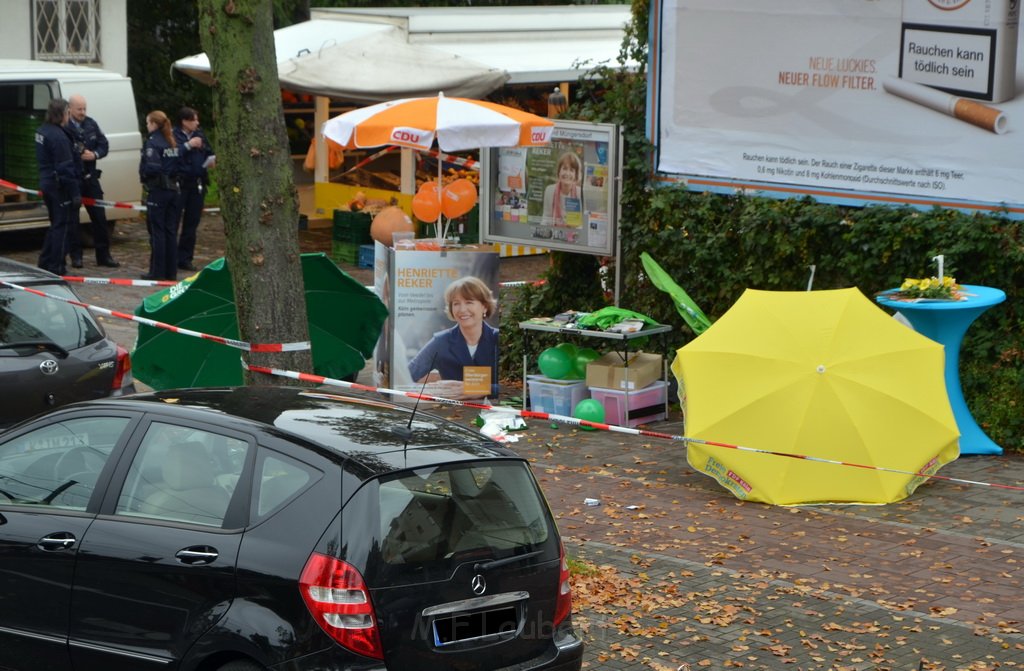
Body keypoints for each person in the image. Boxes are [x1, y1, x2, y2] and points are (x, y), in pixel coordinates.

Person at [407, 276, 499, 397]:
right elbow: (405, 376)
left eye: (469, 302)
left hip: (495, 413)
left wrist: (482, 389)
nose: (462, 309)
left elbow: (513, 387)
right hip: (450, 412)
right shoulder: (440, 342)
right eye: (456, 303)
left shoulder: (497, 339)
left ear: (484, 306)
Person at [67, 94, 120, 268]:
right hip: (74, 179)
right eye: (79, 109)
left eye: (84, 109)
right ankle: (76, 257)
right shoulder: (64, 126)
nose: (82, 112)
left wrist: (95, 154)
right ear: (70, 108)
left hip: (91, 178)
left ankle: (104, 255)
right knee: (73, 220)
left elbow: (103, 144)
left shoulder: (91, 123)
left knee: (99, 217)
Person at [34, 98, 80, 276]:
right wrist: (75, 193)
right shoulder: (59, 137)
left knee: (55, 225)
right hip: (59, 186)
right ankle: (56, 266)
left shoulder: (42, 130)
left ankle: (45, 261)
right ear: (63, 114)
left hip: (47, 182)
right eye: (68, 113)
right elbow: (65, 168)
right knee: (62, 226)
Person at [139, 110, 182, 281]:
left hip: (158, 190)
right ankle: (171, 271)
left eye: (148, 123)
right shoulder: (171, 141)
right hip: (174, 190)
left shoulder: (153, 142)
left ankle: (157, 272)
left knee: (158, 232)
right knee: (170, 231)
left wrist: (145, 177)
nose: (147, 126)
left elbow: (152, 167)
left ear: (154, 124)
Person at [172, 106, 214, 271]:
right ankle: (172, 257)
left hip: (197, 184)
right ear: (184, 121)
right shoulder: (174, 135)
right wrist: (188, 146)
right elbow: (172, 154)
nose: (197, 123)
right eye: (193, 120)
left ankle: (186, 258)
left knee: (192, 223)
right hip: (180, 183)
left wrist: (211, 160)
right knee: (173, 222)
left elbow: (209, 151)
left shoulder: (200, 134)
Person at [541, 151, 583, 227]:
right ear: (559, 171)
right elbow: (546, 219)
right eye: (565, 168)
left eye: (571, 170)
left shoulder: (580, 193)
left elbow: (581, 225)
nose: (567, 173)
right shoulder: (549, 190)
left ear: (576, 175)